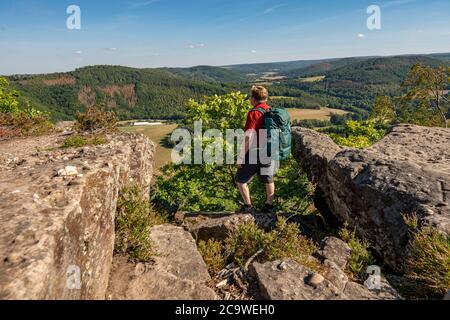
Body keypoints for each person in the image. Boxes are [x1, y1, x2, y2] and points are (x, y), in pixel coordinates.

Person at [235, 86, 276, 214]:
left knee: (240, 180)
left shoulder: (254, 113)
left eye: (250, 97)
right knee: (268, 179)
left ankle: (248, 207)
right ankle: (269, 207)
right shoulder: (271, 111)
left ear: (254, 98)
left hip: (256, 150)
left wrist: (241, 156)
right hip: (270, 150)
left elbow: (249, 136)